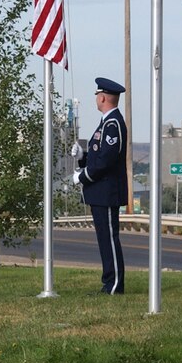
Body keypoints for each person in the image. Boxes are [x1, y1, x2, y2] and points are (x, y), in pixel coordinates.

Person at [71, 77, 128, 295]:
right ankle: (109, 281)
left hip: (106, 191)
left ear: (103, 97)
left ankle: (114, 284)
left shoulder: (113, 124)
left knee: (109, 239)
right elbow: (99, 155)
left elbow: (106, 161)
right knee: (104, 239)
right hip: (100, 191)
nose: (96, 98)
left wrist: (82, 177)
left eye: (97, 95)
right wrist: (83, 156)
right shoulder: (106, 122)